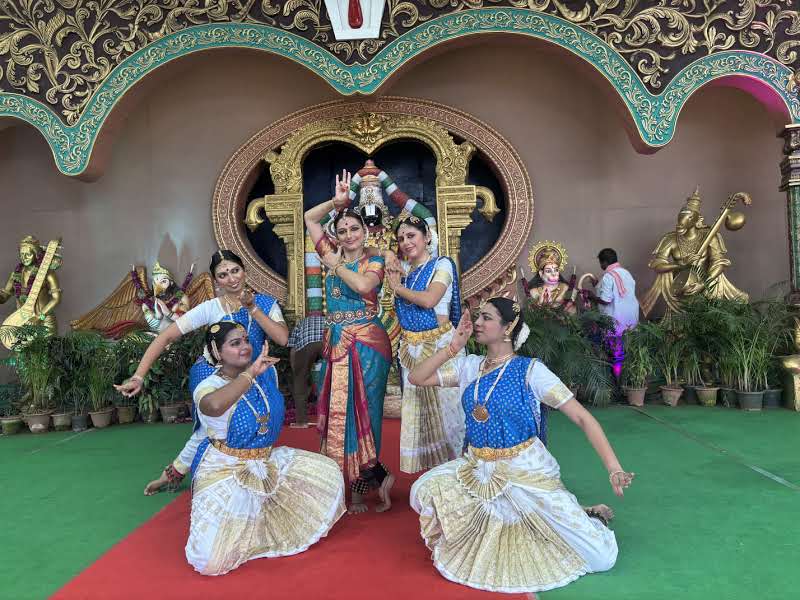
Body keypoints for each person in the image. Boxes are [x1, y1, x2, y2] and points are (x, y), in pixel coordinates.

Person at [408, 297, 633, 594]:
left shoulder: (531, 371)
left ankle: (582, 515)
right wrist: (452, 346)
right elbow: (416, 377)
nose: (477, 323)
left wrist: (613, 467)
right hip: (477, 467)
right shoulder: (469, 367)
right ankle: (575, 509)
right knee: (421, 491)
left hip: (523, 469)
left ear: (508, 327)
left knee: (601, 557)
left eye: (486, 318)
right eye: (478, 317)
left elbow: (581, 417)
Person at [114, 250, 289, 494]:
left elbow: (281, 337)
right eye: (223, 275)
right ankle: (184, 475)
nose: (232, 279)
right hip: (219, 374)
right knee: (211, 429)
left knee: (262, 424)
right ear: (216, 281)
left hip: (259, 373)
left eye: (235, 271)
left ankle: (253, 477)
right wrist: (139, 376)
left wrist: (252, 308)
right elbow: (166, 336)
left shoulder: (266, 303)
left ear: (245, 271)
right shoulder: (211, 308)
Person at [186, 321, 345, 575]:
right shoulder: (209, 384)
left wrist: (255, 373)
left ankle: (258, 526)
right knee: (208, 562)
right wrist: (250, 374)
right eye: (235, 343)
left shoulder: (266, 374)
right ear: (217, 352)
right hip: (225, 468)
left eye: (246, 340)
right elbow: (212, 406)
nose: (245, 347)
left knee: (328, 475)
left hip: (265, 462)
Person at [304, 169, 394, 514]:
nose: (348, 234)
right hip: (337, 340)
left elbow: (363, 287)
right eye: (341, 230)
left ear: (365, 229)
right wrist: (337, 202)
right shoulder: (333, 249)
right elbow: (311, 219)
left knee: (365, 415)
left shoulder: (375, 258)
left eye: (354, 228)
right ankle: (369, 479)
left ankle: (362, 483)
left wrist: (336, 264)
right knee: (339, 412)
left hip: (368, 341)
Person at [383, 215, 465, 473]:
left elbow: (430, 300)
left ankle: (458, 472)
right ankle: (435, 478)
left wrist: (397, 288)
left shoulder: (442, 265)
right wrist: (386, 253)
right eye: (401, 239)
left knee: (449, 413)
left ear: (427, 237)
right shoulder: (406, 273)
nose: (406, 242)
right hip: (412, 349)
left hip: (442, 345)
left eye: (411, 236)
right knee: (422, 417)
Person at [590, 248, 640, 378]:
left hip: (616, 321)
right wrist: (597, 285)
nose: (601, 266)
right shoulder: (626, 273)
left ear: (604, 262)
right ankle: (628, 381)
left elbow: (605, 300)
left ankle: (617, 384)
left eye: (601, 263)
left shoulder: (608, 276)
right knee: (625, 352)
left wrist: (591, 297)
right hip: (631, 319)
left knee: (616, 355)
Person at [287, 315, 324, 427]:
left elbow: (293, 347)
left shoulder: (302, 322)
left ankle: (302, 421)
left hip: (307, 344)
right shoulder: (327, 319)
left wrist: (297, 371)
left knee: (300, 380)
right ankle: (337, 419)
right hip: (328, 343)